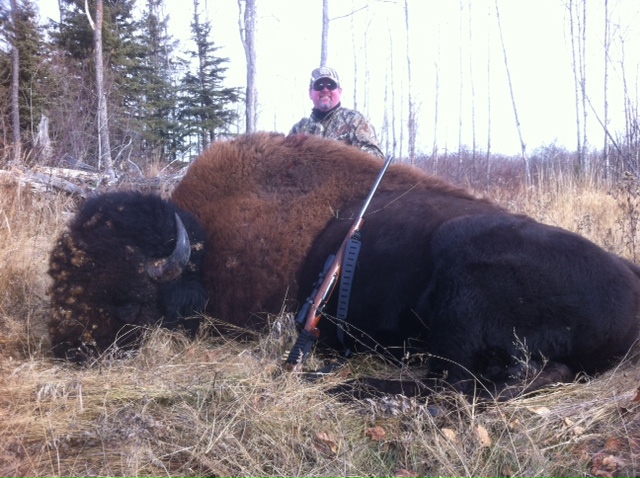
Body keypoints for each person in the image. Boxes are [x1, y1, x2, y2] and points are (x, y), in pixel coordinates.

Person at [289, 66, 384, 159]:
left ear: (339, 91)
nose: (325, 90)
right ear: (310, 93)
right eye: (319, 86)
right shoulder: (298, 129)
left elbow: (376, 158)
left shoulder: (355, 121)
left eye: (331, 85)